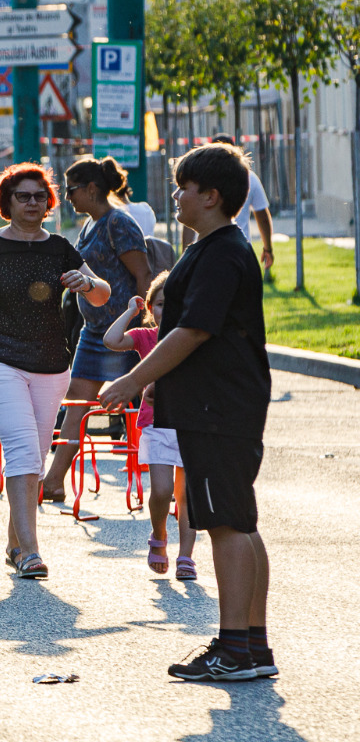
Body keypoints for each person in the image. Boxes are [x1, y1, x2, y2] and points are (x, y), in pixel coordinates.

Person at [100, 143, 274, 681]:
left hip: (217, 406)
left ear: (212, 196)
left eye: (183, 187)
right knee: (240, 522)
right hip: (218, 403)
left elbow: (193, 330)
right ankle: (253, 646)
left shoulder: (221, 252)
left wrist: (133, 380)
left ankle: (234, 648)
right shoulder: (212, 248)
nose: (176, 196)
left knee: (224, 523)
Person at [0, 163, 110, 579]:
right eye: (23, 196)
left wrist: (86, 285)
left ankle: (14, 541)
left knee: (34, 459)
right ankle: (30, 552)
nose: (33, 203)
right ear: (7, 202)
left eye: (40, 196)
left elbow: (104, 292)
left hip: (52, 366)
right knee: (21, 449)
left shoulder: (59, 248)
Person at [41, 156, 151, 501]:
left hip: (122, 333)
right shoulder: (90, 224)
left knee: (141, 404)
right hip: (94, 331)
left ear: (92, 189)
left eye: (71, 190)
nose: (67, 197)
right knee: (77, 403)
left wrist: (143, 325)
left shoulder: (119, 223)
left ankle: (169, 482)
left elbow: (144, 275)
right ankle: (55, 481)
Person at [103, 273, 196, 580]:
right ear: (150, 308)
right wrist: (131, 311)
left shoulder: (194, 338)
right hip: (155, 423)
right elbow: (111, 340)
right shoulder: (146, 337)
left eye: (172, 304)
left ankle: (186, 556)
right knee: (162, 490)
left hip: (190, 423)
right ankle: (159, 535)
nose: (164, 310)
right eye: (158, 304)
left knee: (187, 495)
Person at [179, 135, 274, 273]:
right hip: (236, 247)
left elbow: (189, 220)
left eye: (182, 188)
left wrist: (185, 255)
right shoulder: (250, 178)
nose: (176, 195)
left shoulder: (202, 180)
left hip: (208, 248)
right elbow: (262, 216)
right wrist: (268, 248)